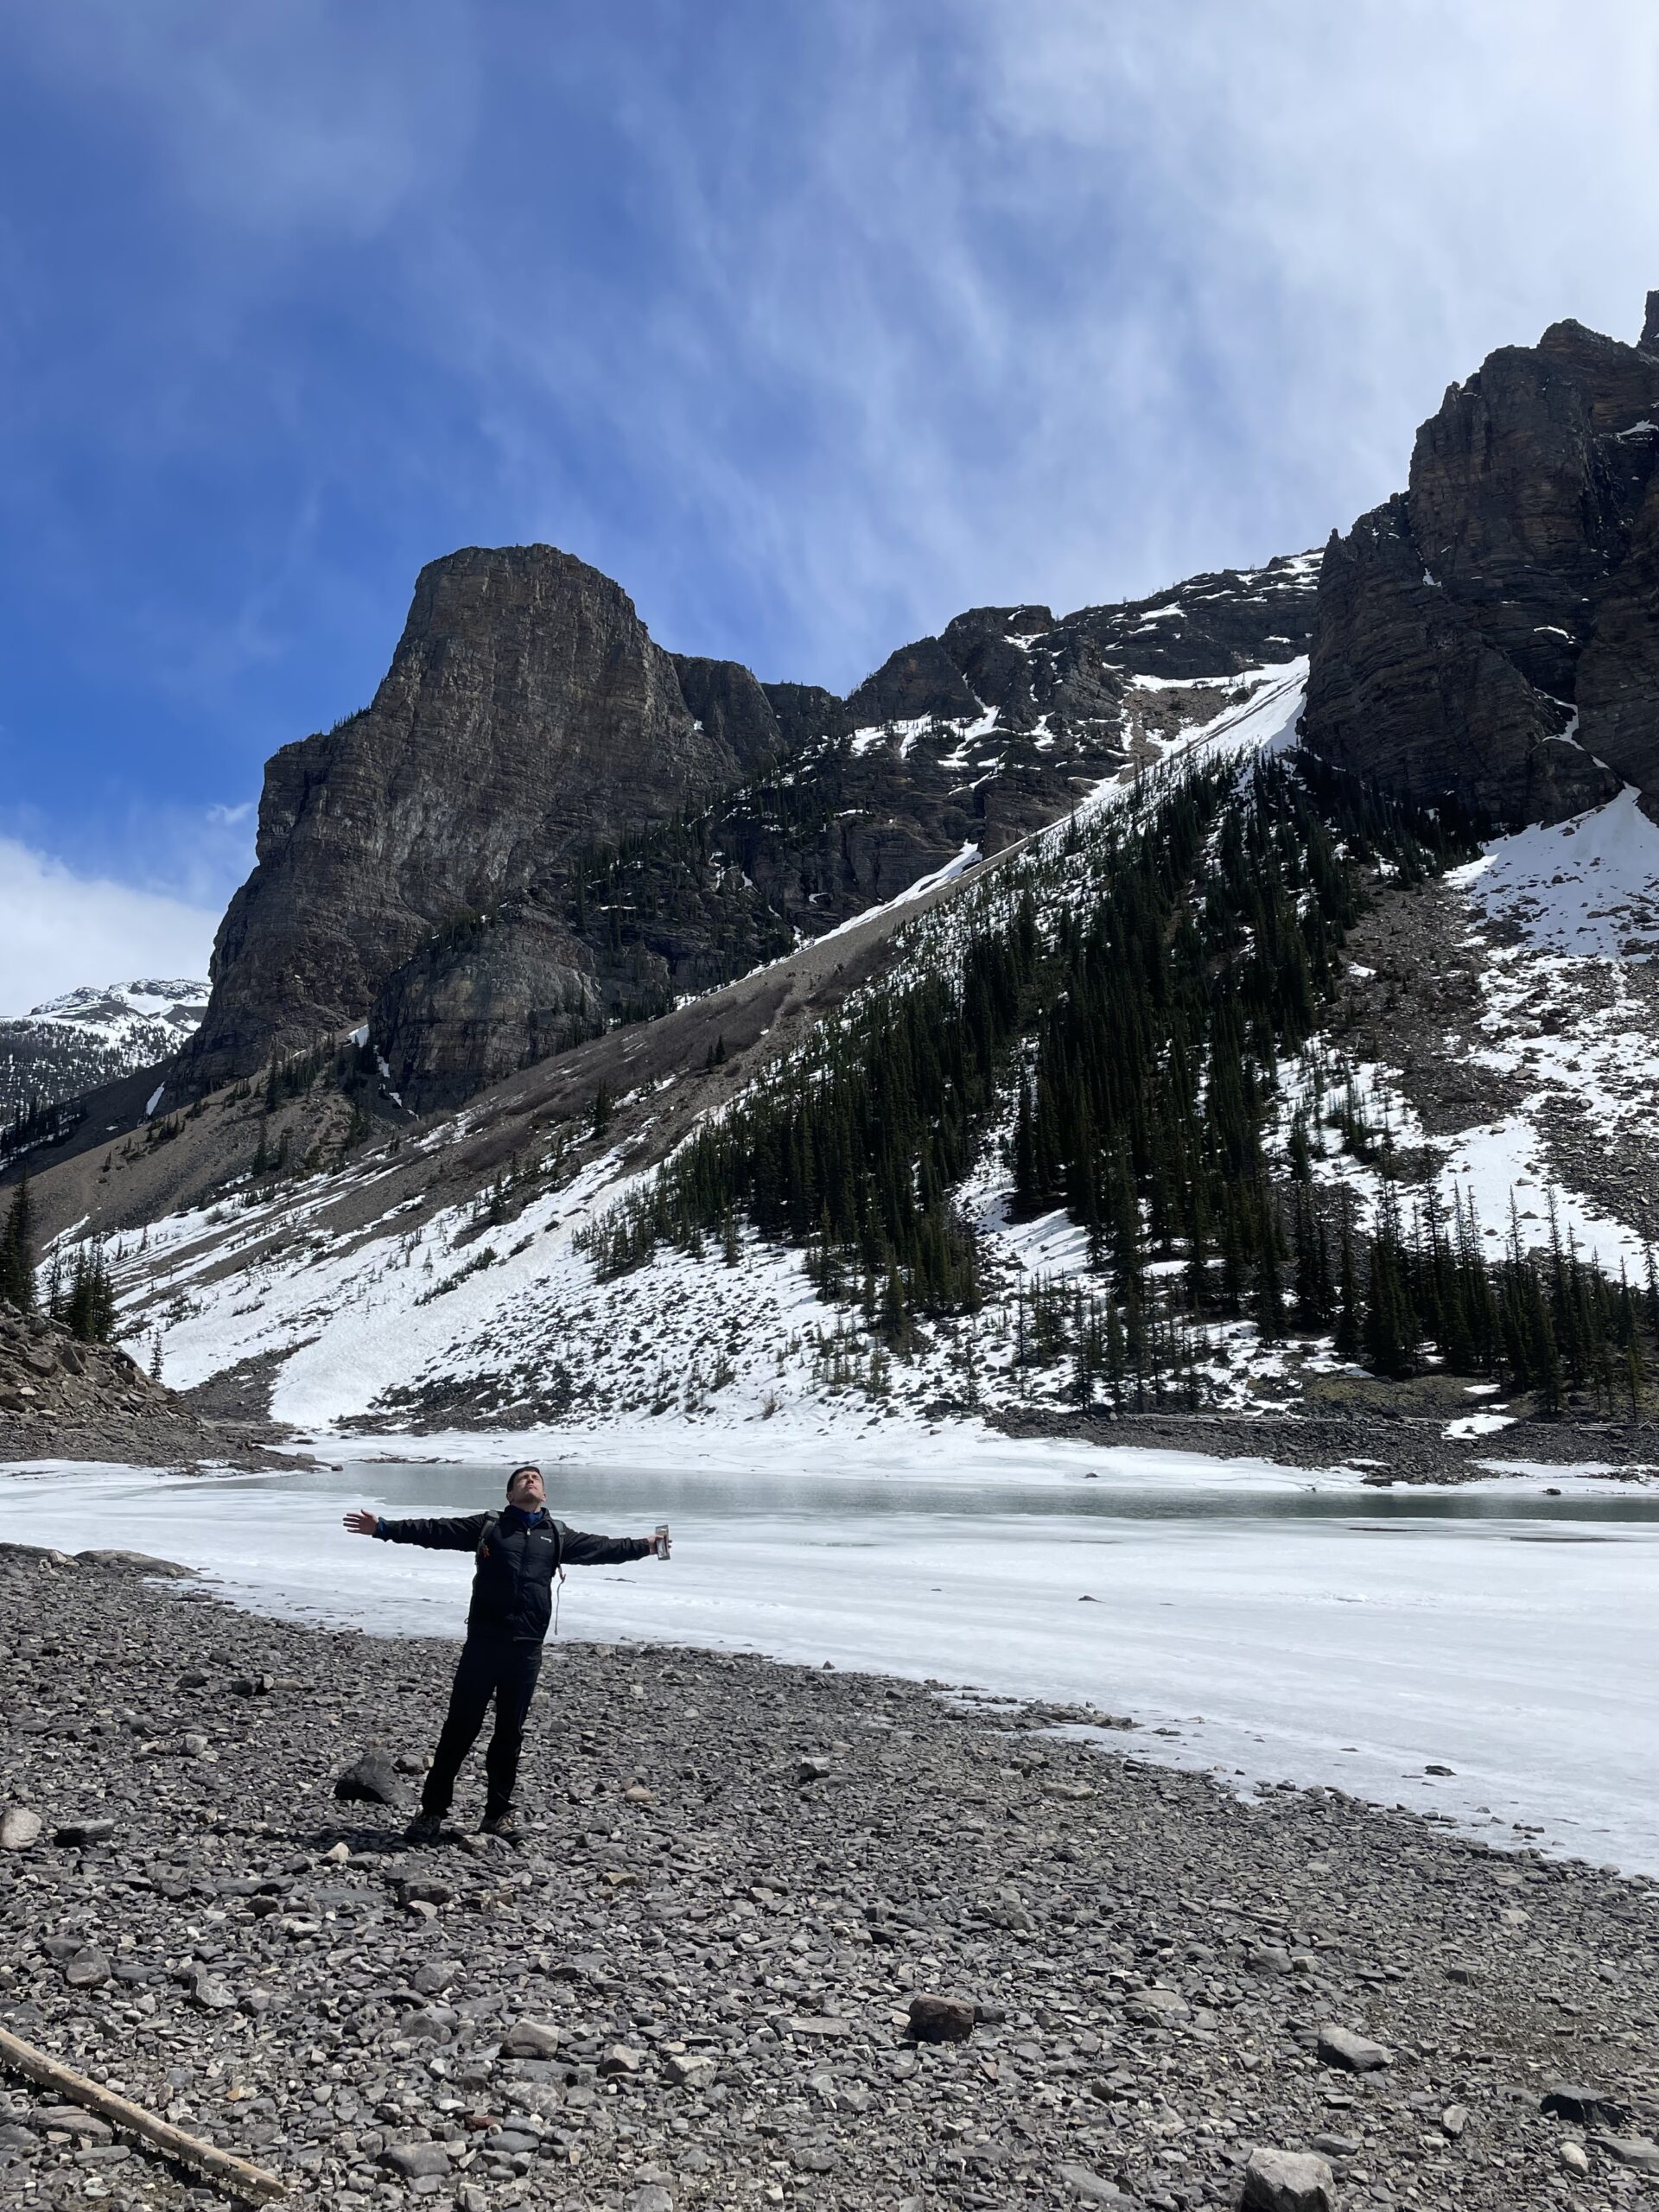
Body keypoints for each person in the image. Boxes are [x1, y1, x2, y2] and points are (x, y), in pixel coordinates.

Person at [343, 1464, 668, 1840]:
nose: (530, 1482)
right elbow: (434, 1530)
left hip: (526, 1649)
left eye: (536, 1480)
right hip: (483, 1644)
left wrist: (647, 1546)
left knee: (509, 1735)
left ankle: (497, 1814)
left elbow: (605, 1548)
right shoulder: (489, 1526)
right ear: (510, 1495)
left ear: (544, 1495)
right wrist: (383, 1528)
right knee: (459, 1731)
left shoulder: (556, 1535)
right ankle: (431, 1813)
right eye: (521, 1480)